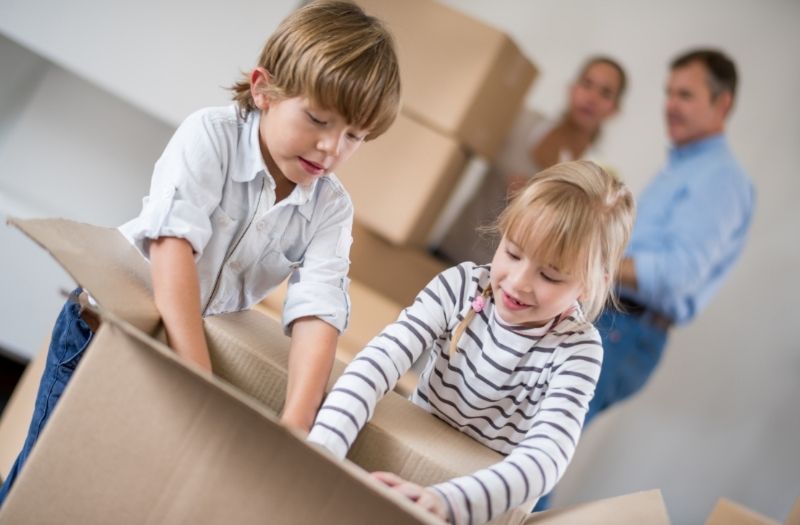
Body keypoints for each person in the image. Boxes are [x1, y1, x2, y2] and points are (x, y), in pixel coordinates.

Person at [0, 0, 400, 505]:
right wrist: (198, 384)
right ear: (264, 89)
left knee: (116, 498)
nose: (331, 148)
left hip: (188, 352)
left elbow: (319, 311)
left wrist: (297, 427)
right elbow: (173, 248)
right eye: (318, 119)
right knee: (50, 482)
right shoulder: (210, 136)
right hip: (108, 332)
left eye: (355, 136)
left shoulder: (331, 208)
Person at [308, 160, 636, 524]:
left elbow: (545, 460)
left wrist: (446, 501)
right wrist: (324, 449)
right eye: (512, 253)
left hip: (475, 504)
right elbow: (375, 365)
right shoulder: (459, 287)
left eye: (550, 275)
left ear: (591, 283)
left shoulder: (578, 349)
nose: (518, 282)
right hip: (402, 459)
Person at [586, 49, 755, 425]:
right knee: (531, 444)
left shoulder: (720, 179)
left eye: (686, 95)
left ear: (722, 103)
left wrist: (588, 262)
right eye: (669, 93)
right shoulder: (680, 169)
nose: (671, 105)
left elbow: (676, 275)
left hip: (626, 331)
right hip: (613, 318)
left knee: (537, 450)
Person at [436, 56, 627, 266]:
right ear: (571, 89)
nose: (592, 97)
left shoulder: (595, 179)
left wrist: (535, 203)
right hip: (450, 252)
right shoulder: (519, 122)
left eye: (605, 93)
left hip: (506, 284)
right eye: (587, 84)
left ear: (615, 109)